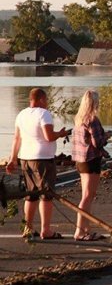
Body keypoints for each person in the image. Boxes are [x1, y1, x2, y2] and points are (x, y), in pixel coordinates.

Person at [5, 88, 70, 239]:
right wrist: (61, 134)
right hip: (43, 159)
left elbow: (17, 138)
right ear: (41, 99)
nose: (47, 103)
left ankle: (28, 228)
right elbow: (49, 136)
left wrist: (13, 159)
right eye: (46, 100)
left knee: (31, 194)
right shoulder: (44, 113)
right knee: (46, 195)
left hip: (26, 158)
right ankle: (45, 230)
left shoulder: (22, 114)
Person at [71, 90, 112, 241]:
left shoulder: (78, 119)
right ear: (94, 102)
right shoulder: (93, 119)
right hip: (91, 160)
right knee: (88, 196)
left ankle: (86, 229)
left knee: (86, 195)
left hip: (80, 160)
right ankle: (80, 231)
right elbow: (97, 143)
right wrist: (106, 136)